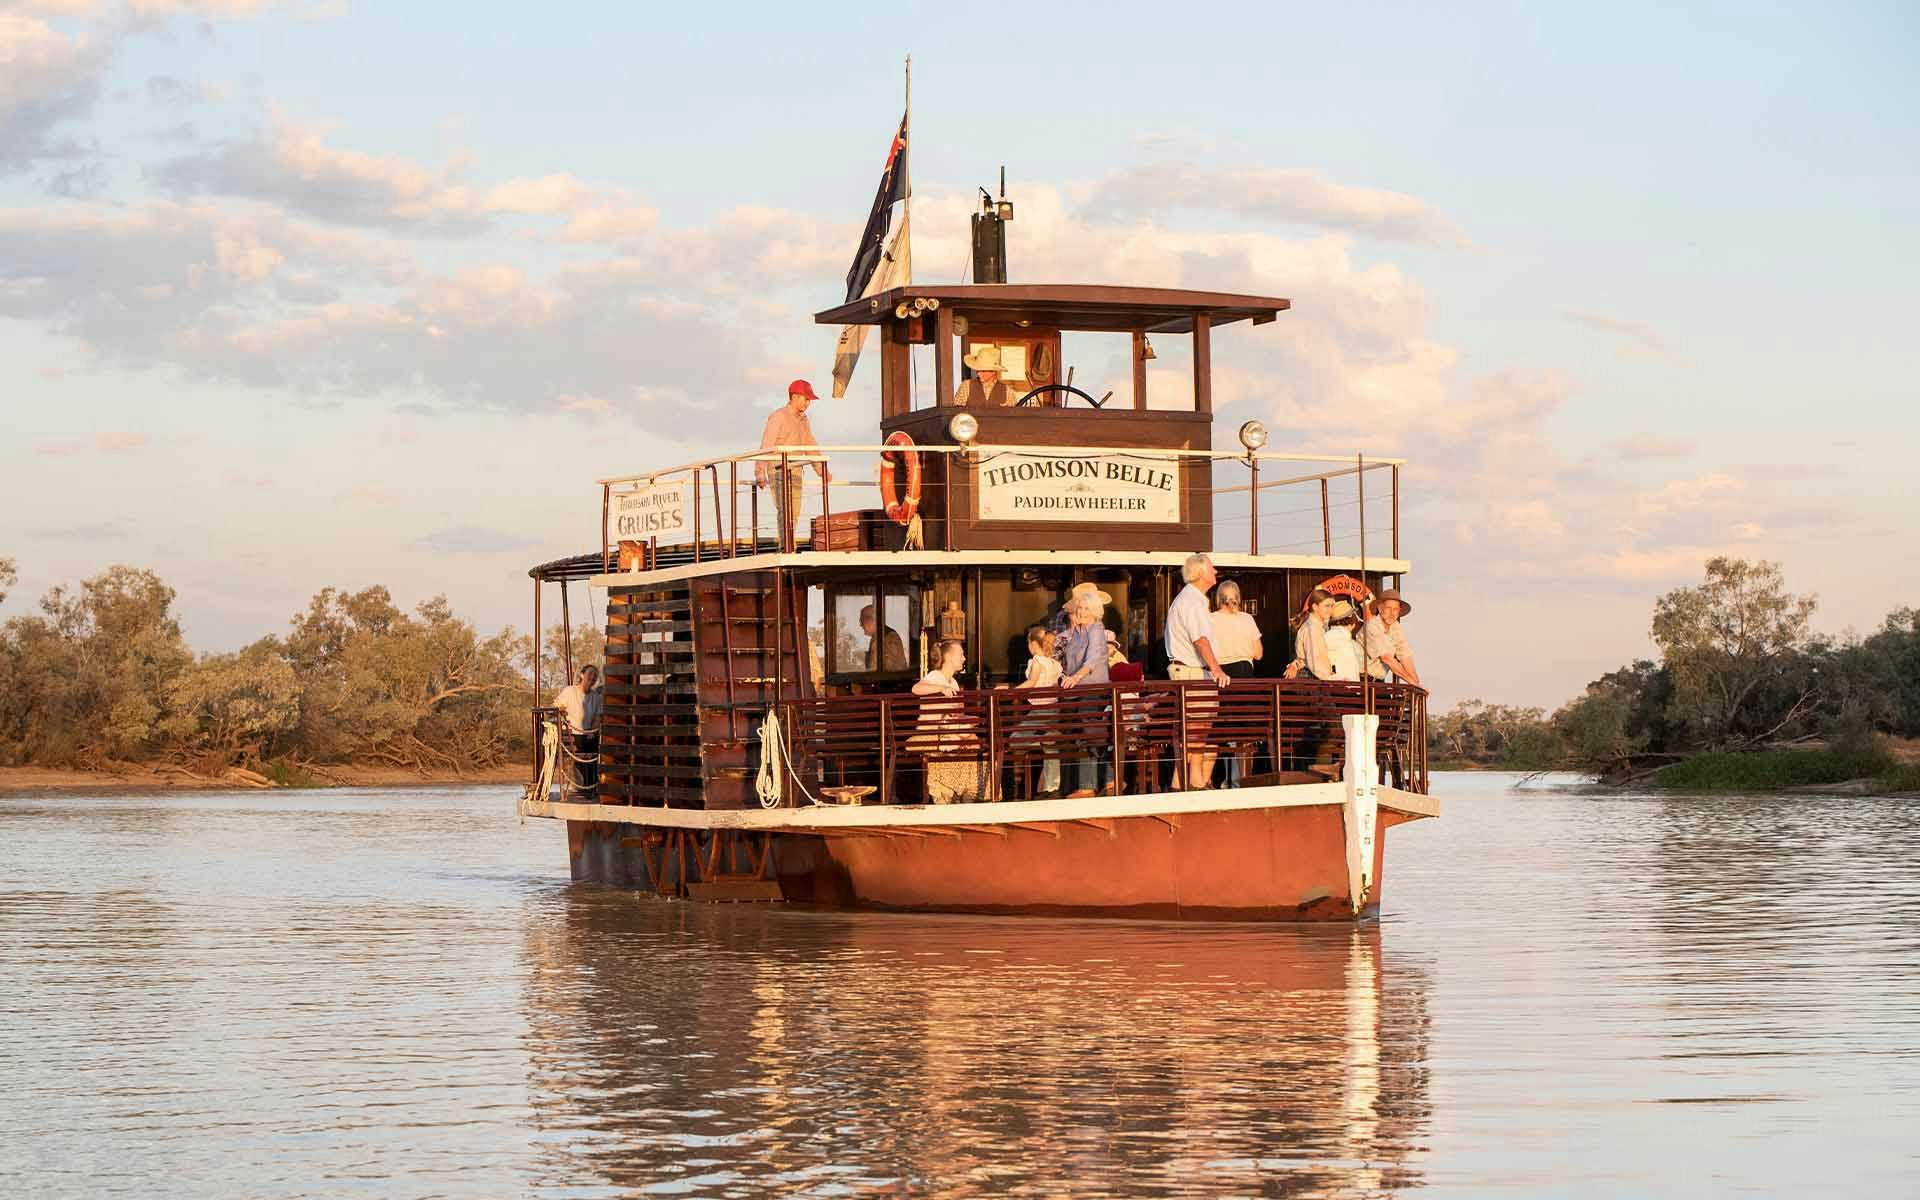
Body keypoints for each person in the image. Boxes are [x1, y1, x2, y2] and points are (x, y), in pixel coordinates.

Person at [1165, 552, 1230, 789]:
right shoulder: (1192, 601)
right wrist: (1217, 670)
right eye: (1212, 568)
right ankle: (1192, 782)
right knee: (1196, 729)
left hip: (1190, 671)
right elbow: (1200, 640)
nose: (1215, 572)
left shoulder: (1190, 599)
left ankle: (1182, 781)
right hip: (1192, 672)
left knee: (1195, 730)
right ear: (1201, 572)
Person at [756, 379, 828, 549]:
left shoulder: (804, 420)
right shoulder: (778, 417)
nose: (809, 403)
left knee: (794, 511)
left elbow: (810, 444)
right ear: (795, 397)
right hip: (778, 468)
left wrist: (820, 469)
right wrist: (760, 472)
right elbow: (766, 445)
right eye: (806, 398)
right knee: (785, 509)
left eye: (810, 399)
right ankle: (786, 547)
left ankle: (788, 544)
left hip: (796, 469)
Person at [910, 639, 983, 803]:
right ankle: (946, 793)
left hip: (949, 731)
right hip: (932, 731)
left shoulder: (954, 683)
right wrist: (940, 688)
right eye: (961, 654)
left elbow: (957, 714)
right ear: (949, 657)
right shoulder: (935, 676)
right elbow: (916, 689)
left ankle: (966, 791)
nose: (964, 658)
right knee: (958, 743)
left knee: (972, 741)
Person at [1057, 591, 1112, 798]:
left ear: (1096, 611)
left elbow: (1093, 658)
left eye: (1086, 608)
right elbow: (1070, 663)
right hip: (1077, 692)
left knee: (1088, 736)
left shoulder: (1096, 628)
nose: (1081, 611)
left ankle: (1087, 787)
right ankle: (1111, 780)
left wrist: (1075, 678)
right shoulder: (1077, 633)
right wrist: (1064, 676)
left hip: (1093, 691)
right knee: (1084, 735)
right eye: (1079, 607)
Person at [1004, 624, 1063, 797]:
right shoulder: (1054, 663)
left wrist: (1012, 692)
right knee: (1052, 749)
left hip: (1039, 710)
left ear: (1033, 644)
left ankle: (1040, 739)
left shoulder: (1037, 660)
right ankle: (1052, 785)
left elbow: (1032, 681)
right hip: (1054, 710)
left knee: (1014, 741)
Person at [552, 664, 602, 796]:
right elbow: (556, 706)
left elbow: (597, 717)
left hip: (588, 734)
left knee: (595, 745)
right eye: (590, 674)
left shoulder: (596, 697)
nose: (592, 677)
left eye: (595, 676)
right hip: (572, 734)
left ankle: (591, 787)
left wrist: (592, 731)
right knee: (582, 747)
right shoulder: (570, 691)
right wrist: (560, 708)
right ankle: (585, 787)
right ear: (582, 675)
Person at [1364, 589, 1420, 685]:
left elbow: (1405, 656)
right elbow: (1387, 658)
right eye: (1388, 608)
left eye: (1395, 609)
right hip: (1361, 682)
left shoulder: (1396, 627)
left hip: (1378, 682)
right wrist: (1413, 683)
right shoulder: (1372, 626)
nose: (1392, 613)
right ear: (1380, 609)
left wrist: (1417, 683)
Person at [1210, 580, 1263, 680]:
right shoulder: (1247, 619)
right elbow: (1258, 654)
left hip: (1219, 674)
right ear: (1238, 598)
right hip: (1244, 672)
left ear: (1218, 598)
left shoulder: (1209, 619)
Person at [1290, 590, 1336, 680]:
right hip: (1312, 678)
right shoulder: (1312, 629)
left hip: (1314, 676)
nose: (1330, 610)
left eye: (1332, 606)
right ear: (1315, 607)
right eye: (1326, 606)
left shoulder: (1317, 626)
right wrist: (1330, 680)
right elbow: (1314, 663)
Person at [953, 344, 1017, 407]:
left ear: (993, 372)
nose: (979, 373)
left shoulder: (1007, 391)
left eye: (983, 371)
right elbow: (957, 413)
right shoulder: (966, 386)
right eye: (977, 370)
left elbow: (1013, 415)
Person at [859, 604, 908, 671]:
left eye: (862, 620)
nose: (860, 625)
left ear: (870, 620)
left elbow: (892, 671)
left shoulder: (889, 637)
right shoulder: (878, 637)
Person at [1325, 600, 1364, 682]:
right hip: (1344, 688)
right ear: (1351, 620)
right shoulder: (1339, 637)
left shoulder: (1333, 635)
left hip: (1340, 687)